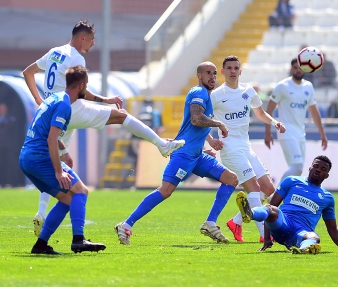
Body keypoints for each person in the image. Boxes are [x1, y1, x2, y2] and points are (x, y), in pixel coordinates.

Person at [22, 19, 185, 236]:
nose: (92, 44)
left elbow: (27, 72)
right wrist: (104, 100)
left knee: (57, 160)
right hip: (70, 108)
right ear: (82, 38)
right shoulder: (75, 57)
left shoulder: (55, 52)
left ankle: (41, 212)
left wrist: (38, 100)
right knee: (121, 115)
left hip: (53, 110)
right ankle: (162, 144)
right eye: (91, 40)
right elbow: (77, 89)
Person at [114, 61, 239, 245]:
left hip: (197, 155)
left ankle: (210, 223)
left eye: (214, 73)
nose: (212, 77)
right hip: (184, 154)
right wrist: (219, 124)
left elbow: (195, 125)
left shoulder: (207, 95)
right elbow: (197, 119)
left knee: (231, 179)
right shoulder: (199, 92)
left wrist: (210, 141)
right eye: (208, 73)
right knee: (165, 191)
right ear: (199, 76)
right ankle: (126, 225)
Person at [20, 65, 106, 254]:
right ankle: (78, 240)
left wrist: (64, 151)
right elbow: (50, 138)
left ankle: (41, 245)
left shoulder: (54, 98)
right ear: (82, 85)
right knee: (81, 190)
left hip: (27, 159)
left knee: (67, 199)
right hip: (39, 158)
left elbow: (48, 133)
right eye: (87, 86)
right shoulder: (64, 105)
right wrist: (59, 171)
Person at [209, 55, 286, 243]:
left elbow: (260, 113)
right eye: (229, 68)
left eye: (236, 68)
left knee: (268, 189)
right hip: (229, 149)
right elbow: (200, 120)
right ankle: (264, 235)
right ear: (223, 71)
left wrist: (275, 122)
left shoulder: (248, 91)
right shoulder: (216, 95)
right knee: (254, 188)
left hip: (246, 147)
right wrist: (210, 141)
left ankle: (236, 222)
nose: (233, 71)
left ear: (240, 71)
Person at [236, 155, 338, 254]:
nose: (318, 170)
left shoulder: (328, 198)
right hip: (282, 223)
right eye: (316, 166)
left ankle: (304, 249)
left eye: (323, 169)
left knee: (314, 237)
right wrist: (267, 238)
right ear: (310, 168)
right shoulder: (291, 181)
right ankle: (250, 213)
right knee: (271, 209)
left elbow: (332, 228)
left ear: (327, 175)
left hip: (301, 232)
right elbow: (270, 208)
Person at [265, 58, 328, 183]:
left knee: (298, 171)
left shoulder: (308, 87)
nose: (298, 70)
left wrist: (322, 134)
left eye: (300, 68)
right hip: (286, 131)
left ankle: (279, 198)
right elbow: (269, 110)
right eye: (295, 68)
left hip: (300, 133)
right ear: (291, 69)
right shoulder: (283, 86)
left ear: (305, 69)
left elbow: (314, 112)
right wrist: (268, 132)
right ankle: (271, 194)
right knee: (298, 167)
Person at [0, 102, 17, 187]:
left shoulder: (10, 118)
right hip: (1, 146)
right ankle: (2, 182)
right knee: (1, 164)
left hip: (8, 146)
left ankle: (10, 182)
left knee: (9, 164)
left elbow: (11, 126)